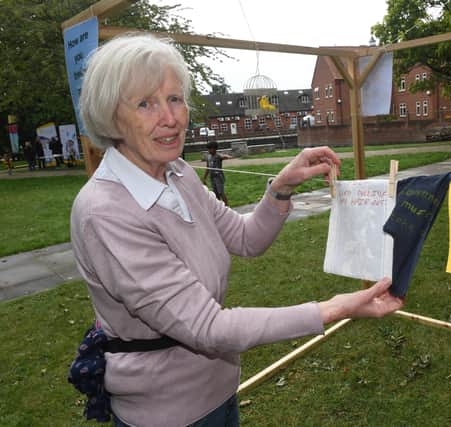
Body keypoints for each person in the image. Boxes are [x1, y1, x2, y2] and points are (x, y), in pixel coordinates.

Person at [71, 33, 403, 427]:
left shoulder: (179, 174)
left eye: (175, 98)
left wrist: (281, 187)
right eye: (146, 103)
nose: (171, 118)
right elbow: (209, 327)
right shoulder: (104, 214)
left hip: (219, 390)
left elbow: (246, 239)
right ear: (112, 117)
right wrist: (336, 307)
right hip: (169, 414)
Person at [202, 141, 231, 205]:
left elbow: (223, 156)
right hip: (212, 177)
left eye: (210, 149)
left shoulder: (218, 156)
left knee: (221, 192)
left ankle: (227, 206)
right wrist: (204, 178)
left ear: (215, 149)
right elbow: (208, 168)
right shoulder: (208, 157)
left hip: (219, 177)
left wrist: (226, 156)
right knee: (216, 193)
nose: (209, 150)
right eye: (208, 149)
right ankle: (220, 207)